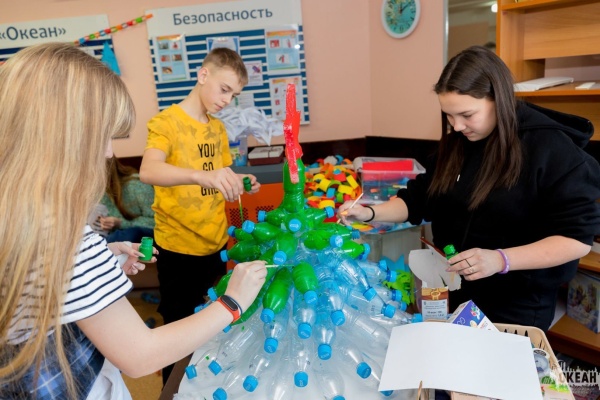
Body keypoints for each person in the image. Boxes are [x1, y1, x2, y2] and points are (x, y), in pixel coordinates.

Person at [0, 42, 268, 399]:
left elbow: (47, 295)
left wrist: (102, 258)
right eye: (104, 136)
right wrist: (233, 302)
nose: (110, 152)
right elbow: (140, 356)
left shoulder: (25, 219)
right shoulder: (63, 235)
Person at [338, 45, 600, 332]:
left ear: (497, 99)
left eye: (466, 115)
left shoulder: (551, 150)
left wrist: (500, 259)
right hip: (456, 287)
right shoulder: (460, 142)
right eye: (449, 116)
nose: (458, 126)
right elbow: (419, 199)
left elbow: (575, 239)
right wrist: (370, 213)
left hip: (517, 300)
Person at [139, 47, 260, 383]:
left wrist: (240, 181)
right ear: (203, 74)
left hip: (215, 245)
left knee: (212, 326)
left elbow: (220, 174)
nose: (227, 100)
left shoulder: (217, 129)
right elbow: (149, 170)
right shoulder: (166, 122)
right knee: (178, 334)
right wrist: (200, 176)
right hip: (178, 249)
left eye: (233, 95)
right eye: (224, 89)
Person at [97, 155, 155, 243]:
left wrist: (120, 223)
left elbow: (156, 221)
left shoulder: (136, 185)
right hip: (117, 235)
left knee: (128, 234)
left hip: (146, 234)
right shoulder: (101, 191)